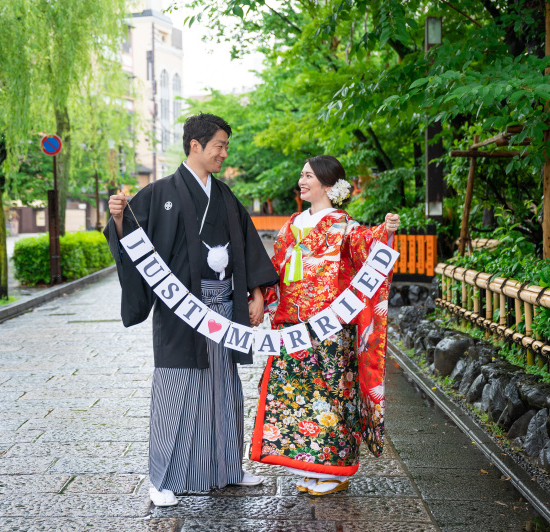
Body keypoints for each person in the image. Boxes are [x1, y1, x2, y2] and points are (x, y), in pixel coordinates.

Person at [104, 113, 278, 507]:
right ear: (195, 146)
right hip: (181, 312)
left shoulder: (226, 197)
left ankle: (228, 469)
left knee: (224, 388)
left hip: (222, 309)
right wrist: (118, 219)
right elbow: (131, 242)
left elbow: (249, 247)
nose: (224, 153)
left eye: (226, 146)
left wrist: (255, 292)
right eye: (219, 145)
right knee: (176, 388)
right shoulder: (160, 191)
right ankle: (162, 478)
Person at [249, 155, 400, 495]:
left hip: (330, 323)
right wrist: (260, 294)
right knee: (297, 395)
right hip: (291, 322)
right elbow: (276, 266)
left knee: (331, 395)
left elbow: (367, 245)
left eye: (309, 176)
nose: (302, 181)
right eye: (301, 175)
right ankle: (311, 462)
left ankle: (338, 468)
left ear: (329, 186)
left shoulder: (344, 225)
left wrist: (385, 231)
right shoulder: (292, 224)